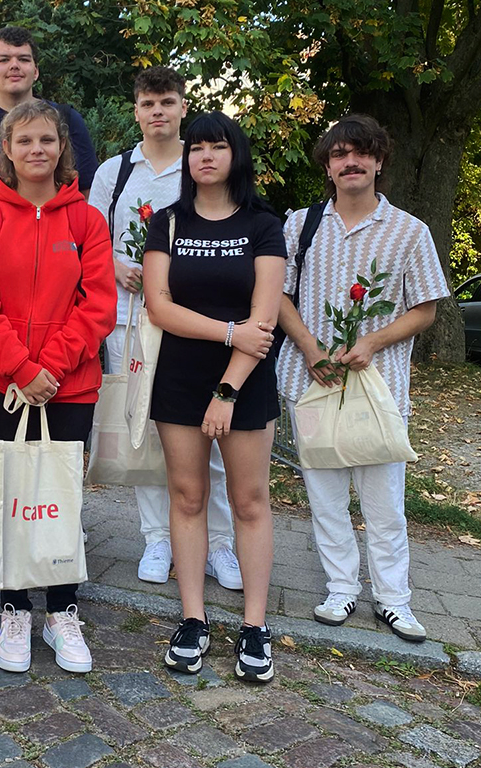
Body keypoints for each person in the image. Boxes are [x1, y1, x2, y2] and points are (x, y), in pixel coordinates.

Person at [276, 114, 448, 643]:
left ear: (378, 161)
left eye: (361, 153)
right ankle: (340, 588)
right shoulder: (300, 225)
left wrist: (370, 343)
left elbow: (425, 309)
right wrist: (309, 348)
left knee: (383, 504)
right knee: (324, 495)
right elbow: (279, 296)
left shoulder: (409, 230)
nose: (349, 162)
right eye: (338, 154)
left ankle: (394, 601)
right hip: (310, 382)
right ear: (327, 166)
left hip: (380, 388)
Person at [0, 100, 116, 675]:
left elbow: (97, 304)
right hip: (1, 383)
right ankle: (14, 609)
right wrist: (21, 370)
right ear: (6, 147)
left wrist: (51, 365)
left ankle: (61, 609)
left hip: (69, 385)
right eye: (24, 140)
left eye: (46, 140)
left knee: (59, 499)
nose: (36, 150)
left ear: (61, 147)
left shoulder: (86, 221)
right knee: (8, 498)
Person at [143, 112, 284, 683]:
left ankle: (254, 626)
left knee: (250, 500)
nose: (204, 156)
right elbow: (160, 306)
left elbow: (265, 319)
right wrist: (227, 333)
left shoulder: (262, 224)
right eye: (195, 147)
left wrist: (227, 389)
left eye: (216, 147)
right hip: (179, 378)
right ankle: (193, 619)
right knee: (187, 496)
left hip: (245, 383)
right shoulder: (168, 222)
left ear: (235, 155)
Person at [89, 66, 242, 589]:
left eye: (167, 102)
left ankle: (219, 545)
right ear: (136, 110)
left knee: (210, 432)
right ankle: (158, 539)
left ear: (182, 107)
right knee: (143, 430)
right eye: (148, 103)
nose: (158, 111)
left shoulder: (197, 165)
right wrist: (116, 266)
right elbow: (90, 239)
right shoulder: (115, 171)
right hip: (126, 322)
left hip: (188, 320)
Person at [0, 26, 99, 197]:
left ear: (35, 72)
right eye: (4, 59)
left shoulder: (65, 119)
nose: (14, 66)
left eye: (23, 59)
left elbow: (87, 190)